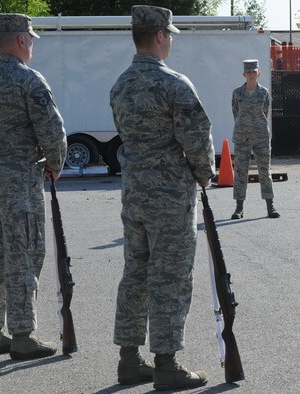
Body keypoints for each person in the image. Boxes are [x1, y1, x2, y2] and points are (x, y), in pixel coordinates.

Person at [110, 5, 216, 391]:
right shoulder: (174, 84)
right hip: (170, 197)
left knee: (134, 275)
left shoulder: (120, 85)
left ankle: (128, 359)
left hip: (134, 194)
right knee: (169, 277)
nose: (170, 40)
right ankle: (166, 364)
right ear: (159, 36)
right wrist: (204, 175)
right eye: (169, 34)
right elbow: (198, 141)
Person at [0, 13, 67, 360]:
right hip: (18, 181)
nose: (33, 45)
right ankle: (23, 335)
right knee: (23, 253)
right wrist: (56, 163)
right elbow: (52, 130)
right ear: (22, 40)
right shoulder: (29, 80)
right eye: (31, 39)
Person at [231, 59, 280, 219]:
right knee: (240, 172)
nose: (251, 75)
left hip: (260, 137)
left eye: (254, 72)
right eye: (248, 72)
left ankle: (270, 207)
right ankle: (239, 209)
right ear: (244, 74)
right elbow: (235, 113)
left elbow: (265, 111)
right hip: (242, 137)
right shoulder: (237, 93)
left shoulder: (264, 93)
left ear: (258, 73)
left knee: (265, 171)